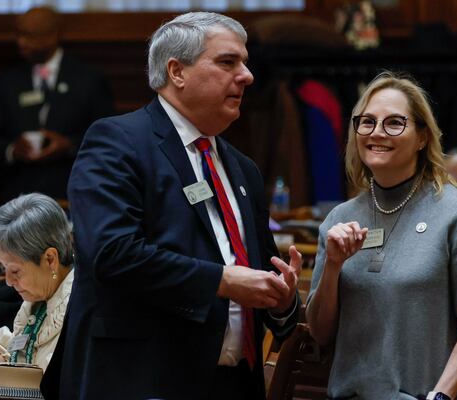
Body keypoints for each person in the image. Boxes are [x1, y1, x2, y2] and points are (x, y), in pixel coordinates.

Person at [54, 12, 301, 400]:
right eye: (227, 62)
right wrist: (223, 280)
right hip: (144, 380)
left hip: (234, 385)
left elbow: (259, 276)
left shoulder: (243, 169)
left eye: (245, 63)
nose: (247, 76)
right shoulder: (117, 142)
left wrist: (282, 299)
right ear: (177, 71)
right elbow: (112, 253)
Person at [306, 72, 457, 400]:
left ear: (422, 137)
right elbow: (321, 333)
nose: (377, 132)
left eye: (394, 123)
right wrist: (333, 266)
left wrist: (441, 396)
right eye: (367, 122)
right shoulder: (340, 218)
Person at [0, 6, 114, 205]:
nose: (21, 43)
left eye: (30, 36)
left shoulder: (88, 79)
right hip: (18, 199)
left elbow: (108, 139)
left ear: (53, 35)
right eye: (19, 35)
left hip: (73, 193)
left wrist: (68, 145)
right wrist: (12, 149)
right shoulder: (8, 82)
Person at [0, 193, 73, 380]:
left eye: (15, 271)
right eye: (4, 270)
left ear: (50, 260)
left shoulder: (80, 308)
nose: (8, 282)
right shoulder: (39, 299)